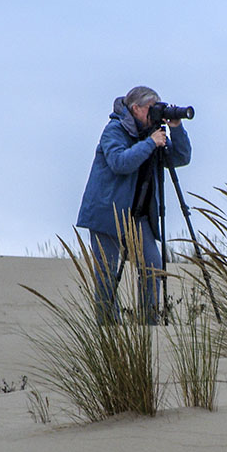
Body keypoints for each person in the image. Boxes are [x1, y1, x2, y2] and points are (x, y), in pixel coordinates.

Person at [76, 85, 192, 323]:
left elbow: (181, 158)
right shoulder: (114, 130)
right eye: (151, 108)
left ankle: (149, 323)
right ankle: (108, 327)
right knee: (107, 275)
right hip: (107, 213)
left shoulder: (152, 134)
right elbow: (120, 162)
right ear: (135, 108)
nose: (154, 113)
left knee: (153, 266)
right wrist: (150, 143)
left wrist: (176, 128)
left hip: (138, 215)